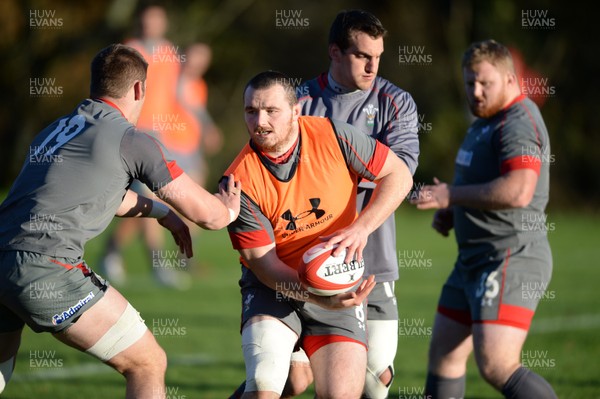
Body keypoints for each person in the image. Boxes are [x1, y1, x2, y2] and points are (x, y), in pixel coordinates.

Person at [0, 44, 240, 398]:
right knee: (147, 363)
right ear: (139, 89)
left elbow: (99, 194)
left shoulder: (58, 128)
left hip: (2, 257)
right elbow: (210, 216)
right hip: (46, 267)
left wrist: (163, 213)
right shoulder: (132, 140)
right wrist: (230, 206)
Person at [229, 10, 420, 399]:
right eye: (362, 55)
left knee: (376, 376)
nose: (372, 66)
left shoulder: (393, 101)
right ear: (335, 52)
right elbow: (280, 157)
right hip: (289, 258)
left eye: (378, 56)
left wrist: (356, 213)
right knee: (283, 379)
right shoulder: (297, 102)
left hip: (366, 252)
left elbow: (400, 172)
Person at [410, 39, 557, 399]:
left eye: (484, 84)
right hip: (472, 260)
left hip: (510, 257)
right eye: (469, 83)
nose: (475, 92)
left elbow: (519, 190)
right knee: (444, 355)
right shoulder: (484, 122)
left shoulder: (519, 121)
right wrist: (454, 211)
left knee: (495, 364)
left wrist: (452, 196)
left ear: (509, 80)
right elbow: (483, 185)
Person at [100, 4, 200, 288]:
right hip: (132, 131)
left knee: (142, 201)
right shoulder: (129, 50)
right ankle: (156, 265)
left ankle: (111, 253)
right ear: (139, 23)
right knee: (149, 199)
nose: (151, 26)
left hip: (160, 134)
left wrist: (195, 123)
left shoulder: (169, 53)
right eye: (146, 20)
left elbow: (177, 92)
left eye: (156, 20)